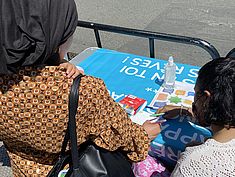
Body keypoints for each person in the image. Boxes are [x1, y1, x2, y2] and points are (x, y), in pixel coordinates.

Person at [0, 0, 161, 176]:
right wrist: (144, 135)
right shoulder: (85, 91)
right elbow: (124, 139)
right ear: (55, 34)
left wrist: (56, 62)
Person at [166, 57, 235, 176]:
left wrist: (197, 153)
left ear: (205, 98)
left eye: (196, 94)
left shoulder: (192, 165)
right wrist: (184, 110)